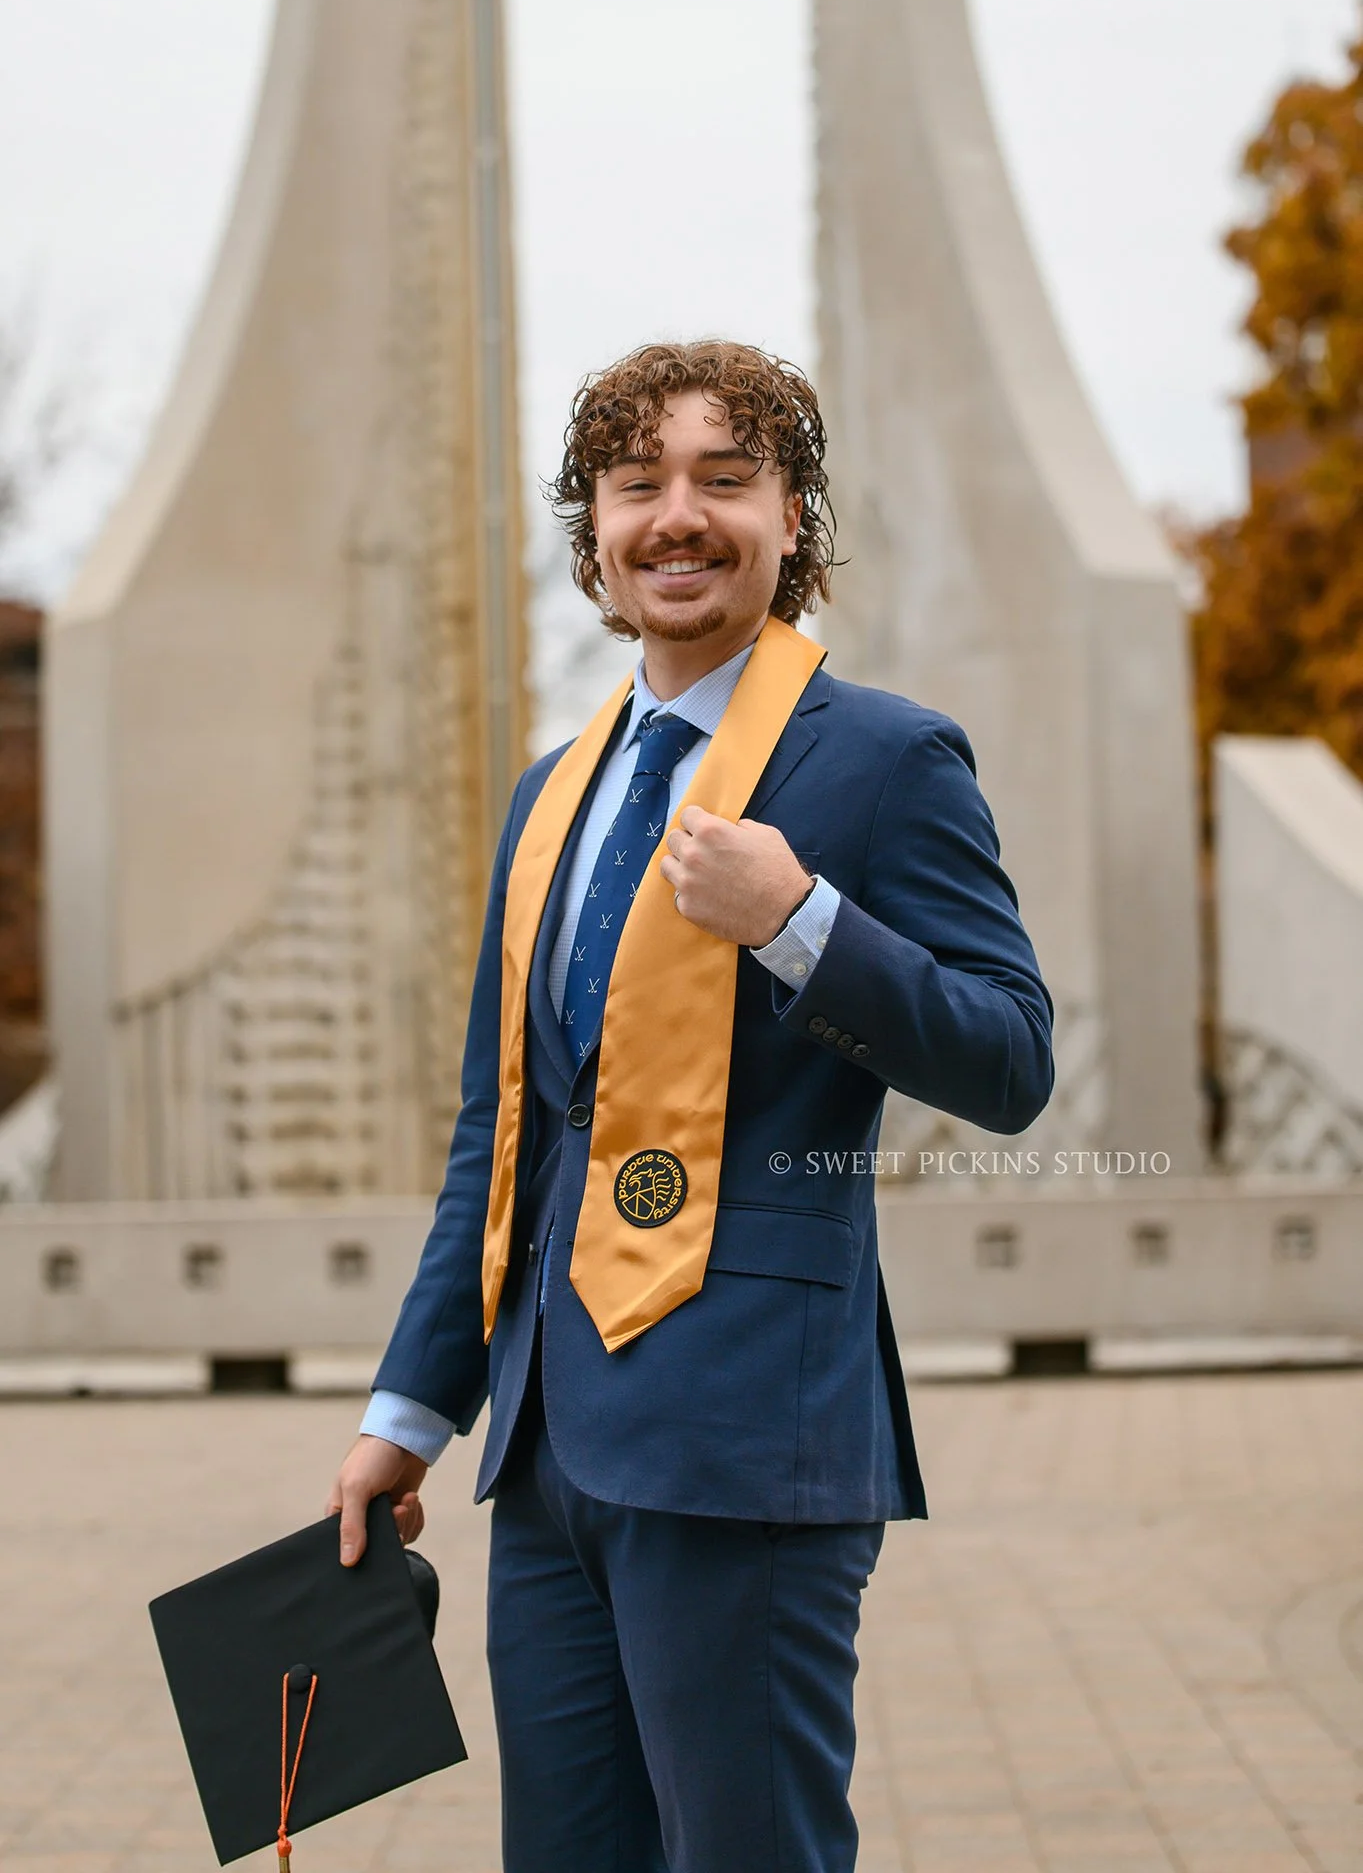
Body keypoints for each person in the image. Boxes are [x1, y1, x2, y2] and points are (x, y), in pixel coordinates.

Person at [326, 338, 1054, 1873]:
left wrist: (801, 920)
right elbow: (501, 1130)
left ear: (795, 520)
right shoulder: (552, 795)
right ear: (589, 527)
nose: (678, 515)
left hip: (745, 1433)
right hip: (544, 1452)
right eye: (635, 480)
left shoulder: (881, 761)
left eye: (728, 478)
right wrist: (410, 1407)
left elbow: (1007, 1059)